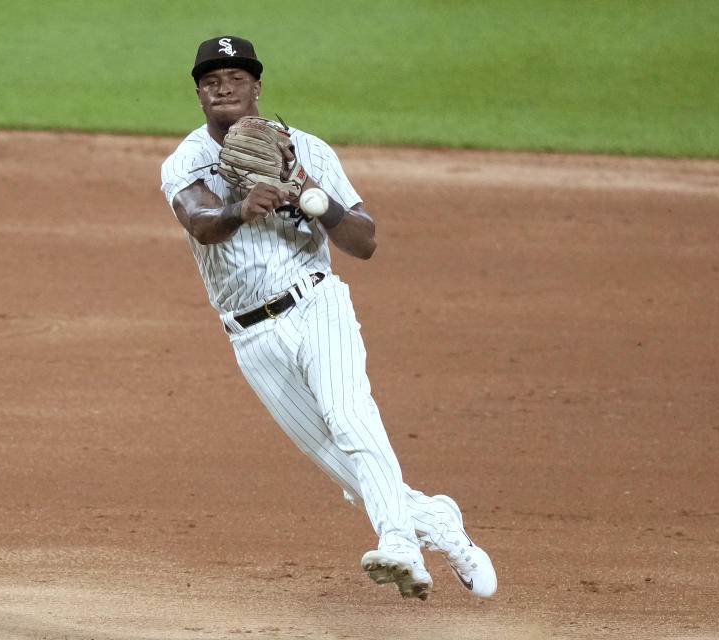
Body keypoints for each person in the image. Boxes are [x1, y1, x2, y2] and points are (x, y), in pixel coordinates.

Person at [159, 35, 496, 601]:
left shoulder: (310, 150)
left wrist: (314, 196)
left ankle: (400, 543)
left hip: (316, 303)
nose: (223, 85)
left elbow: (363, 242)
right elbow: (199, 220)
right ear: (198, 93)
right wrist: (242, 208)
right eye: (211, 79)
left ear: (256, 87)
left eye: (236, 77)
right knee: (340, 462)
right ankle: (439, 522)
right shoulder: (184, 161)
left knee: (350, 415)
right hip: (250, 336)